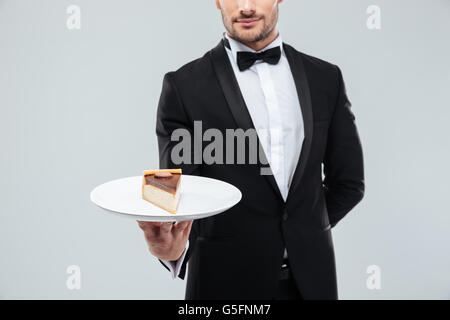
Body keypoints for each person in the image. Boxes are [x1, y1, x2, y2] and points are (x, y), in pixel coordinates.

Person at [137, 0, 365, 300]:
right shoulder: (183, 86)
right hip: (222, 286)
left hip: (311, 284)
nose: (245, 7)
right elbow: (175, 194)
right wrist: (171, 249)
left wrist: (302, 232)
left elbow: (349, 184)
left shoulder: (325, 78)